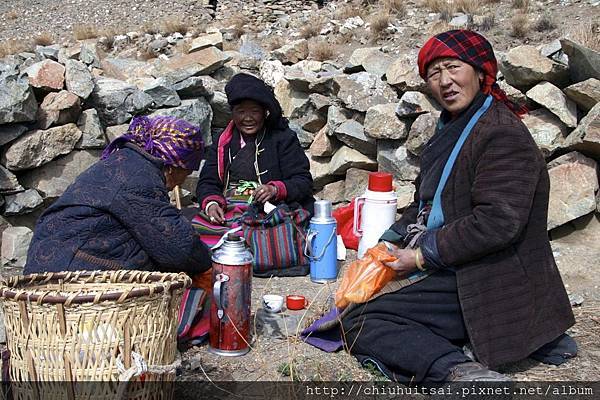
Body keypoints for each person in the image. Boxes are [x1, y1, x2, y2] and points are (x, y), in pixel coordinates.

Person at [340, 30, 576, 382]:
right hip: (464, 265)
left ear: (481, 72)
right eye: (434, 74)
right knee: (357, 300)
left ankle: (459, 372)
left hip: (495, 277)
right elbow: (425, 204)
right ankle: (533, 336)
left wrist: (420, 256)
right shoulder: (453, 129)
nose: (445, 81)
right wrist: (388, 244)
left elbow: (498, 222)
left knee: (361, 322)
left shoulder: (501, 134)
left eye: (453, 67)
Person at [24, 116, 211, 275]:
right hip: (68, 272)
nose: (180, 183)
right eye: (185, 174)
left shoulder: (125, 160)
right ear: (172, 166)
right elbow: (180, 250)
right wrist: (211, 261)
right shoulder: (139, 178)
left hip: (51, 258)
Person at [193, 72, 314, 245]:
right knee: (196, 229)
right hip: (231, 208)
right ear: (232, 113)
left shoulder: (283, 138)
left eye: (254, 111)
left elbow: (303, 182)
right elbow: (207, 181)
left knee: (275, 235)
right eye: (241, 112)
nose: (248, 118)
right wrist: (212, 203)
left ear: (265, 113)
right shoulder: (222, 141)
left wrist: (275, 190)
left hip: (274, 208)